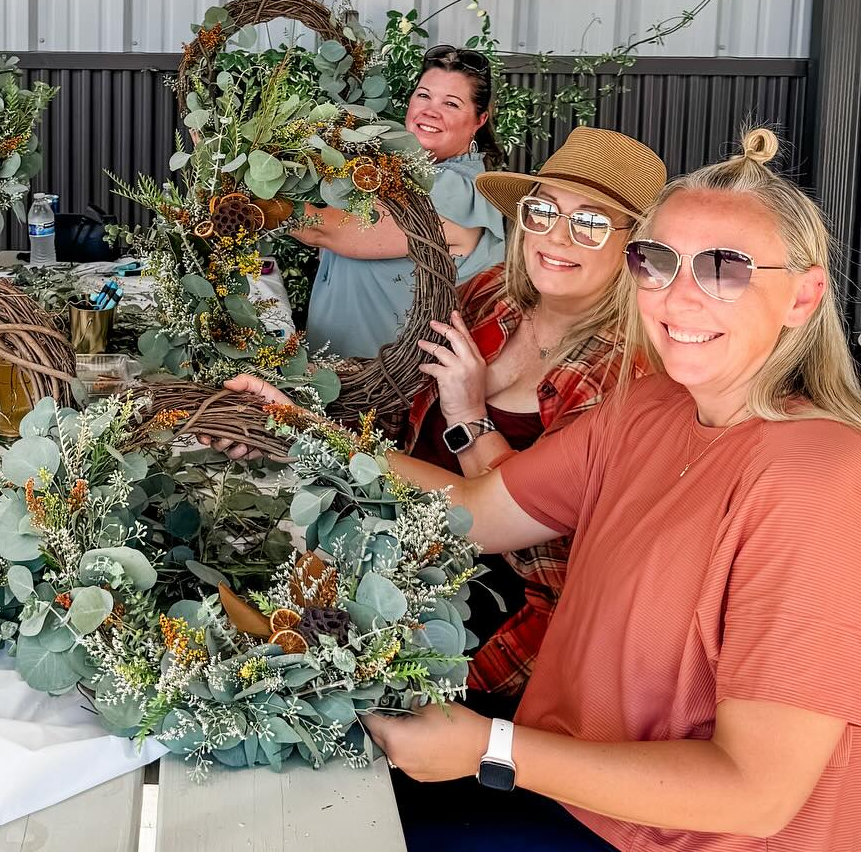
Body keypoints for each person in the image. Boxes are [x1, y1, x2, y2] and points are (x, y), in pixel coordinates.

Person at [365, 129, 861, 849]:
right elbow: (476, 512)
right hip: (555, 785)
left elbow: (757, 792)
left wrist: (489, 748)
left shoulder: (821, 479)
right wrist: (295, 433)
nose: (680, 296)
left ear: (803, 294)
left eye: (724, 268)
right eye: (658, 262)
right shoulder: (648, 404)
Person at [220, 126, 667, 717]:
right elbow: (400, 400)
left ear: (635, 249)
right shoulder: (491, 296)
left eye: (590, 223)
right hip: (398, 553)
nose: (555, 237)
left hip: (499, 617)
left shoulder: (618, 377)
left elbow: (509, 518)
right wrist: (290, 418)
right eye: (543, 211)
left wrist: (469, 417)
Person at [298, 45, 506, 359]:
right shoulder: (400, 171)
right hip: (334, 376)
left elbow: (325, 231)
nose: (430, 111)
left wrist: (243, 187)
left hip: (384, 390)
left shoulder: (456, 190)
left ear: (479, 120)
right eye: (424, 95)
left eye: (451, 103)